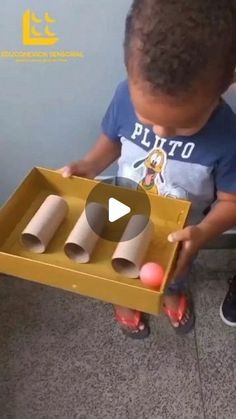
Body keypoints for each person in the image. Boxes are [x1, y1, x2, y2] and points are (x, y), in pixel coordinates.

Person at [61, 0, 236, 338]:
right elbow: (112, 140)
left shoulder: (228, 134)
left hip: (178, 232)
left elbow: (231, 201)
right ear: (128, 69)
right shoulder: (125, 95)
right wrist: (90, 164)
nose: (160, 134)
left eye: (184, 126)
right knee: (120, 266)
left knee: (172, 273)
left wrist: (202, 234)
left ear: (227, 82)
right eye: (147, 120)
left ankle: (171, 293)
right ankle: (124, 299)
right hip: (123, 210)